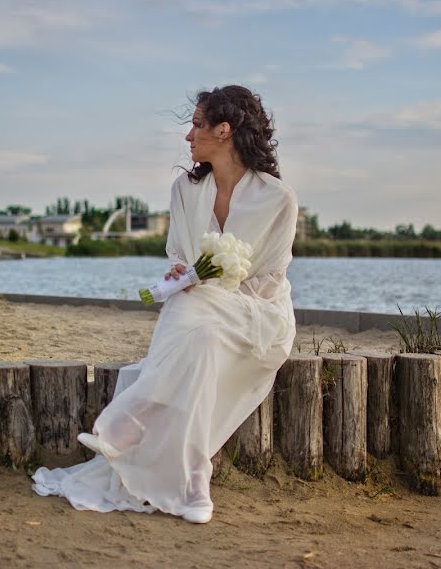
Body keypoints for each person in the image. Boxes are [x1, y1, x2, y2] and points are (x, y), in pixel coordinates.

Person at [31, 85, 299, 524]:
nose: (188, 137)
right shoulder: (185, 190)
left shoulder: (278, 199)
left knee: (198, 311)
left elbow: (269, 280)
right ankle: (195, 479)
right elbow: (179, 256)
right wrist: (181, 275)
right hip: (201, 321)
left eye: (196, 125)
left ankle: (135, 412)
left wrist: (210, 291)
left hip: (260, 321)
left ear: (224, 131)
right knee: (201, 334)